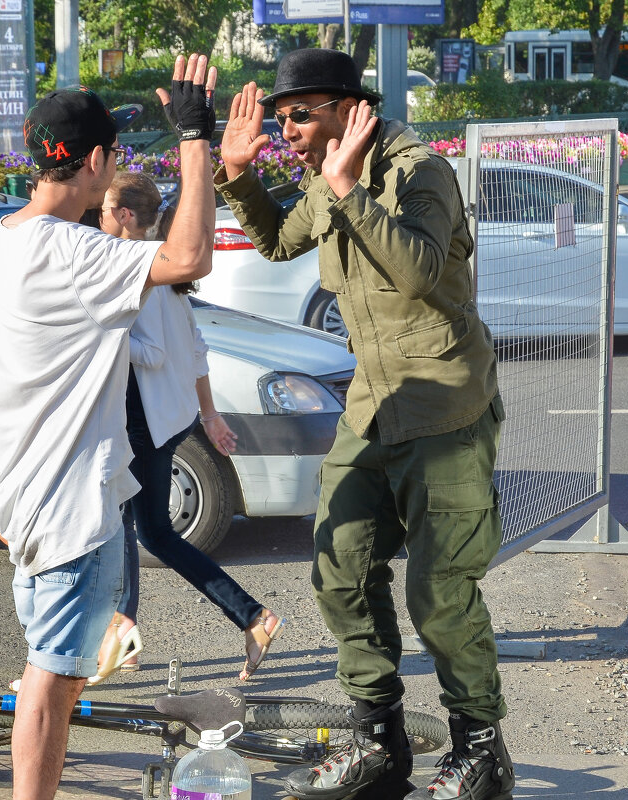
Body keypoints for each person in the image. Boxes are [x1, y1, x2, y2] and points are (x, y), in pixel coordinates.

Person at [217, 48, 514, 800]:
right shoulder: (324, 176)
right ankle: (378, 745)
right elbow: (280, 241)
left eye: (299, 113)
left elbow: (415, 269)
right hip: (373, 405)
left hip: (444, 404)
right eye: (280, 116)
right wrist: (237, 173)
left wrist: (349, 186)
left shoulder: (420, 173)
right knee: (339, 568)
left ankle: (480, 748)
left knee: (440, 593)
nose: (286, 128)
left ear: (351, 109)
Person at [0, 54, 217, 800]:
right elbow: (189, 257)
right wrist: (197, 139)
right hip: (72, 511)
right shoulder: (71, 251)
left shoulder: (4, 242)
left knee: (54, 675)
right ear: (98, 161)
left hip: (32, 501)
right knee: (51, 683)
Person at [88, 171, 283, 685]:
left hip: (145, 422)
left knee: (121, 526)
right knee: (149, 529)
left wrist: (94, 334)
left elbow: (152, 351)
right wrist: (210, 414)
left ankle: (122, 630)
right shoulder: (165, 269)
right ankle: (250, 617)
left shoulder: (139, 273)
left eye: (105, 211)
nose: (99, 219)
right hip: (166, 420)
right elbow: (195, 348)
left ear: (125, 217)